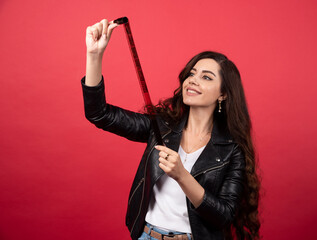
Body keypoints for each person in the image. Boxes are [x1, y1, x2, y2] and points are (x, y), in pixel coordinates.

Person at [81, 19, 261, 240]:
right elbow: (99, 114)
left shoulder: (231, 149)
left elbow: (223, 215)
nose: (192, 81)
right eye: (191, 74)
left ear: (223, 94)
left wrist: (182, 176)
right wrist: (94, 55)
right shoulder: (161, 127)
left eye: (206, 77)